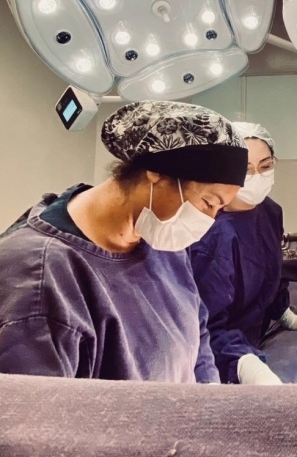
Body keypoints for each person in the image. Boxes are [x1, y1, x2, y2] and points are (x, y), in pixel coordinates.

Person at [0, 100, 248, 383]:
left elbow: (196, 334)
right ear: (157, 171)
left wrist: (208, 398)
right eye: (208, 203)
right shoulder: (41, 278)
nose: (209, 220)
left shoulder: (160, 238)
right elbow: (38, 407)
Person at [190, 122, 297, 385]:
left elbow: (272, 271)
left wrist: (284, 315)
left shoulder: (269, 211)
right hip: (221, 354)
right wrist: (246, 366)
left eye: (265, 166)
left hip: (256, 333)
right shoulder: (211, 235)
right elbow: (203, 325)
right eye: (245, 169)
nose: (257, 176)